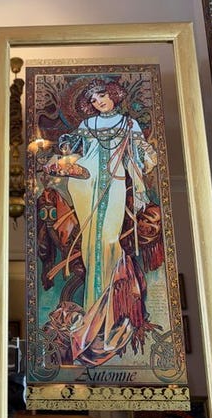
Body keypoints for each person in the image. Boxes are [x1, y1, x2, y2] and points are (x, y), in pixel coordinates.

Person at [48, 78, 159, 366]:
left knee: (109, 237)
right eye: (94, 101)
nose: (100, 103)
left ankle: (112, 299)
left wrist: (141, 154)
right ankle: (92, 307)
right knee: (90, 241)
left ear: (112, 95)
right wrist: (66, 145)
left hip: (116, 182)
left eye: (102, 97)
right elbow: (73, 147)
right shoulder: (88, 125)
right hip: (88, 184)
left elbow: (144, 156)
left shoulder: (128, 124)